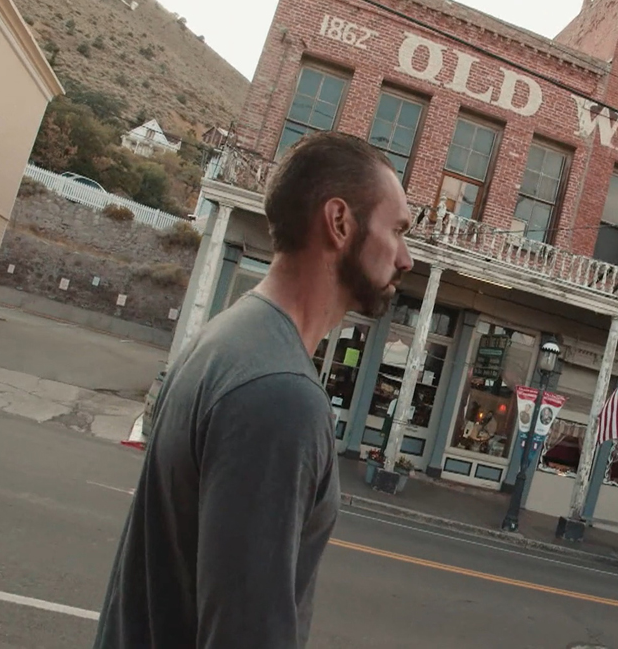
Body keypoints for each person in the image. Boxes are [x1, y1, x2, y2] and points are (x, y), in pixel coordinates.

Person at [92, 131, 415, 648]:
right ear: (339, 223)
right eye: (397, 230)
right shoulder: (280, 396)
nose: (406, 259)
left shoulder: (224, 337)